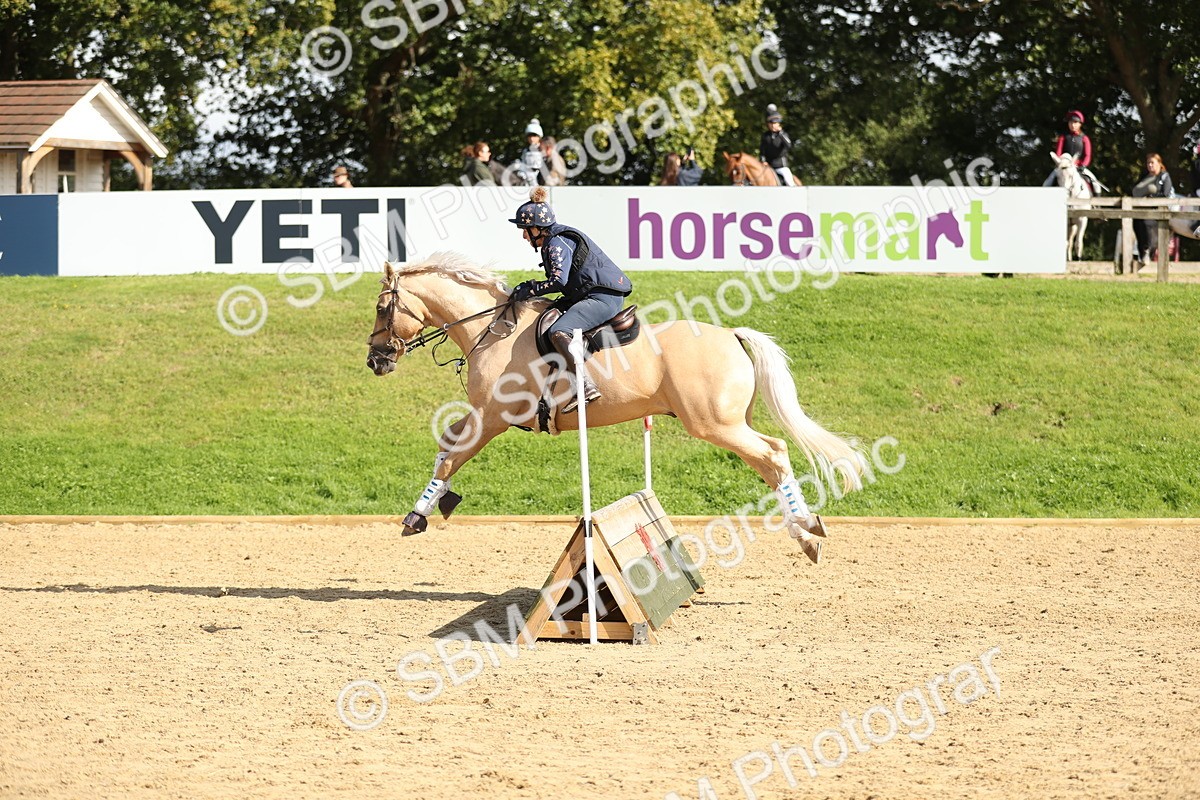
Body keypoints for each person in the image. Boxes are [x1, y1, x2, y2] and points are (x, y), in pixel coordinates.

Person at [508, 187, 633, 413]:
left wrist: (532, 288)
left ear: (538, 228)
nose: (524, 235)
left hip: (602, 298)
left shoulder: (556, 243)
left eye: (525, 230)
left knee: (559, 331)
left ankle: (585, 385)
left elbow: (558, 281)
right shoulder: (555, 240)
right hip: (592, 293)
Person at [1132, 152, 1175, 264]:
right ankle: (1142, 253)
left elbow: (1165, 194)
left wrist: (1151, 197)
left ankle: (1148, 251)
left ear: (1159, 163)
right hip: (1142, 208)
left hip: (1159, 210)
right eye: (1148, 163)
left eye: (1152, 163)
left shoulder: (1164, 176)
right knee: (1136, 222)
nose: (1150, 165)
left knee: (1147, 222)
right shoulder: (1144, 176)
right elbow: (1135, 191)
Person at [1043, 110, 1101, 192]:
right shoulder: (1063, 137)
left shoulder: (1084, 138)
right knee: (1047, 184)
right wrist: (1061, 163)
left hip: (1079, 167)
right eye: (1070, 122)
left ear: (1080, 124)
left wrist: (1083, 165)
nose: (1072, 125)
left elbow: (1087, 155)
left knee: (1096, 185)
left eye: (1075, 122)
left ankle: (1096, 204)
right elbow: (1058, 153)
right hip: (1064, 166)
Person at [760, 104, 799, 186]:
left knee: (789, 182)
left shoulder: (783, 134)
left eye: (775, 123)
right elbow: (762, 151)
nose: (773, 125)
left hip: (781, 166)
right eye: (771, 123)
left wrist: (780, 134)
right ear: (768, 124)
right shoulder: (765, 136)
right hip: (768, 167)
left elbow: (788, 145)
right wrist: (763, 161)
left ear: (779, 124)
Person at [514, 118, 545, 186]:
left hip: (540, 180)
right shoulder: (525, 151)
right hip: (527, 179)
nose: (531, 139)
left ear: (539, 137)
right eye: (529, 136)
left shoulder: (543, 150)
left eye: (534, 136)